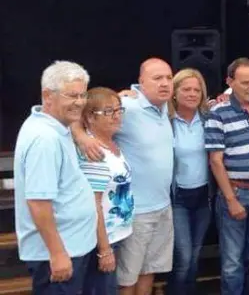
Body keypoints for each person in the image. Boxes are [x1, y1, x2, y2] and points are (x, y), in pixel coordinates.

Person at [74, 58, 175, 295]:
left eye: (169, 78)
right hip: (135, 213)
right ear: (141, 82)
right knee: (127, 279)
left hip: (163, 207)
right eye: (157, 78)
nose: (165, 83)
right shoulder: (127, 106)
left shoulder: (165, 108)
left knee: (149, 271)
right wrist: (82, 137)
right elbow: (79, 114)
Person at [14, 61, 97, 294]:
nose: (80, 102)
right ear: (47, 96)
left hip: (73, 247)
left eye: (83, 95)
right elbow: (38, 202)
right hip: (60, 255)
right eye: (72, 95)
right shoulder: (44, 139)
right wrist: (58, 253)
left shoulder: (57, 126)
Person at [206, 58, 249, 294]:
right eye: (245, 83)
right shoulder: (218, 113)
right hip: (234, 192)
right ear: (229, 82)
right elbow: (215, 161)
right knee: (232, 262)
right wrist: (231, 200)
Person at [78, 87, 134, 295]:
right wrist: (104, 250)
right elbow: (94, 204)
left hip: (118, 234)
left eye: (119, 110)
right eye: (109, 111)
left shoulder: (112, 143)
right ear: (90, 117)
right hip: (102, 240)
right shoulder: (93, 151)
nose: (117, 115)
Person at [167, 69, 211, 294]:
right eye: (186, 89)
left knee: (194, 255)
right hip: (178, 199)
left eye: (197, 90)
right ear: (174, 92)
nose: (192, 94)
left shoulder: (208, 118)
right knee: (183, 257)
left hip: (204, 197)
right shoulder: (165, 120)